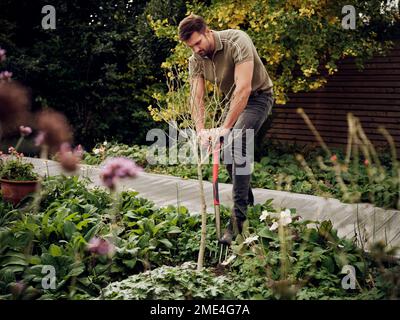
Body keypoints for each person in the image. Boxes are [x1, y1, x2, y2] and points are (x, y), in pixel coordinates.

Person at [178, 14, 274, 245]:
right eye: (191, 47)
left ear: (207, 31)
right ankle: (248, 200)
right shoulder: (196, 60)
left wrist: (224, 129)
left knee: (236, 145)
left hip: (257, 97)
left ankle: (237, 222)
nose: (196, 49)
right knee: (227, 155)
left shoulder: (237, 41)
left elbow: (243, 89)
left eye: (198, 43)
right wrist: (201, 130)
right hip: (231, 103)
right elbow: (196, 98)